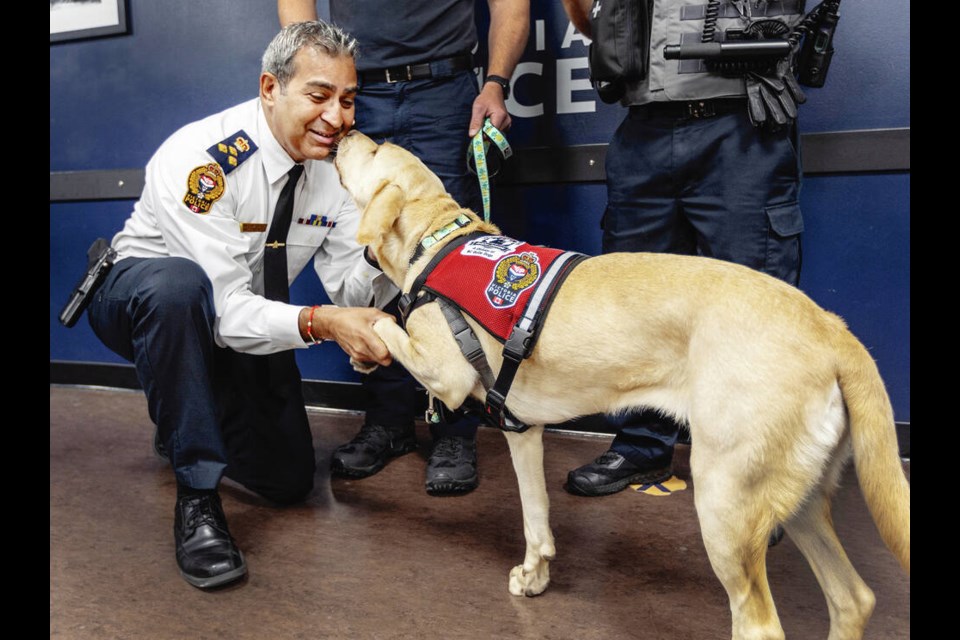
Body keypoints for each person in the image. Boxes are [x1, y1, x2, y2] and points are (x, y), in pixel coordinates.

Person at [85, 21, 397, 589]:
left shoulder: (333, 170)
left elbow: (349, 290)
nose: (338, 118)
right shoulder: (203, 161)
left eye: (349, 100)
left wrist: (386, 249)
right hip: (136, 299)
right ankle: (197, 499)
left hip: (237, 315)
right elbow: (224, 312)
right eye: (319, 96)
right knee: (178, 290)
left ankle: (182, 413)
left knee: (288, 481)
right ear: (270, 88)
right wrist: (323, 324)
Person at [278, 0, 530, 496]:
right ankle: (389, 421)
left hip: (445, 89)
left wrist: (496, 81)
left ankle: (455, 429)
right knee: (373, 256)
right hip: (357, 91)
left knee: (451, 264)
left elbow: (510, 6)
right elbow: (297, 10)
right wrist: (319, 82)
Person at [560, 0, 807, 497]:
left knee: (752, 306)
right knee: (636, 302)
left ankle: (758, 472)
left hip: (739, 125)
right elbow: (588, 17)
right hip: (644, 128)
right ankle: (641, 448)